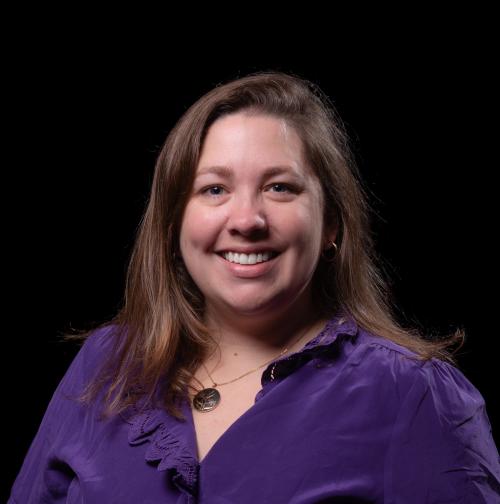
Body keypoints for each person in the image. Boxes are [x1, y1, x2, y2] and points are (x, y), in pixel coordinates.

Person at [9, 71, 500, 503]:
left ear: (331, 223)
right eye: (214, 189)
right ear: (175, 221)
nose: (246, 220)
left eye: (280, 187)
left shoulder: (415, 395)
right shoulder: (106, 364)